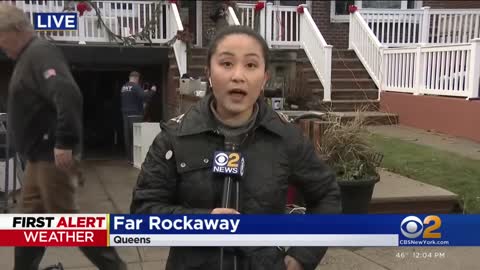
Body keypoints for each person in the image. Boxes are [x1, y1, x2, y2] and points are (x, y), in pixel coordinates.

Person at [130, 25, 341, 270]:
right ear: (209, 73)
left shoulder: (286, 137)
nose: (238, 76)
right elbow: (143, 213)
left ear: (264, 78)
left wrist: (302, 257)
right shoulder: (175, 137)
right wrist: (204, 222)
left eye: (251, 65)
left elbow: (327, 195)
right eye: (227, 64)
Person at [0, 4, 127, 270]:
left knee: (69, 221)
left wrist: (64, 142)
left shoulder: (40, 52)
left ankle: (115, 267)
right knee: (29, 222)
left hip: (50, 155)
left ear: (15, 30)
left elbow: (67, 93)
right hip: (37, 159)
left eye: (1, 37)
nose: (1, 46)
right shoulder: (27, 57)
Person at [120, 71, 144, 163]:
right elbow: (144, 96)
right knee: (136, 137)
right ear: (136, 78)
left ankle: (129, 158)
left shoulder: (124, 87)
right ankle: (136, 159)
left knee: (127, 137)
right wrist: (152, 91)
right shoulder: (135, 86)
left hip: (125, 115)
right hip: (135, 115)